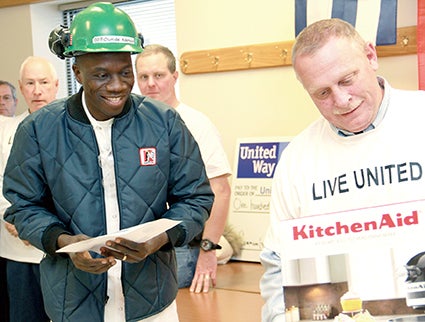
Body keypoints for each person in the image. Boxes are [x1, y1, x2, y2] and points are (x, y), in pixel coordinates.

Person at [3, 3, 213, 322]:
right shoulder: (38, 130)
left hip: (153, 302)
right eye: (101, 75)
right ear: (77, 73)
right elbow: (22, 206)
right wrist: (64, 241)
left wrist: (159, 239)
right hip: (72, 302)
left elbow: (196, 198)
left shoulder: (165, 123)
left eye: (124, 72)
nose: (116, 85)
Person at [259, 18, 425, 321]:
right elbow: (277, 266)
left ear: (371, 57)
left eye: (347, 80)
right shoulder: (296, 160)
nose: (341, 100)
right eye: (322, 93)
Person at [135, 44, 232, 293]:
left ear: (174, 77)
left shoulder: (196, 124)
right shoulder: (131, 126)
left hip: (181, 247)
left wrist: (208, 251)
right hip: (138, 244)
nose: (151, 84)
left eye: (159, 75)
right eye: (143, 77)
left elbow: (220, 190)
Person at [0, 56, 59, 322]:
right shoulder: (6, 130)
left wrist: (41, 226)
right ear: (21, 88)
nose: (37, 90)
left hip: (62, 247)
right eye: (30, 83)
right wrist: (14, 219)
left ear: (56, 85)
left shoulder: (76, 127)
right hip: (17, 250)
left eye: (44, 82)